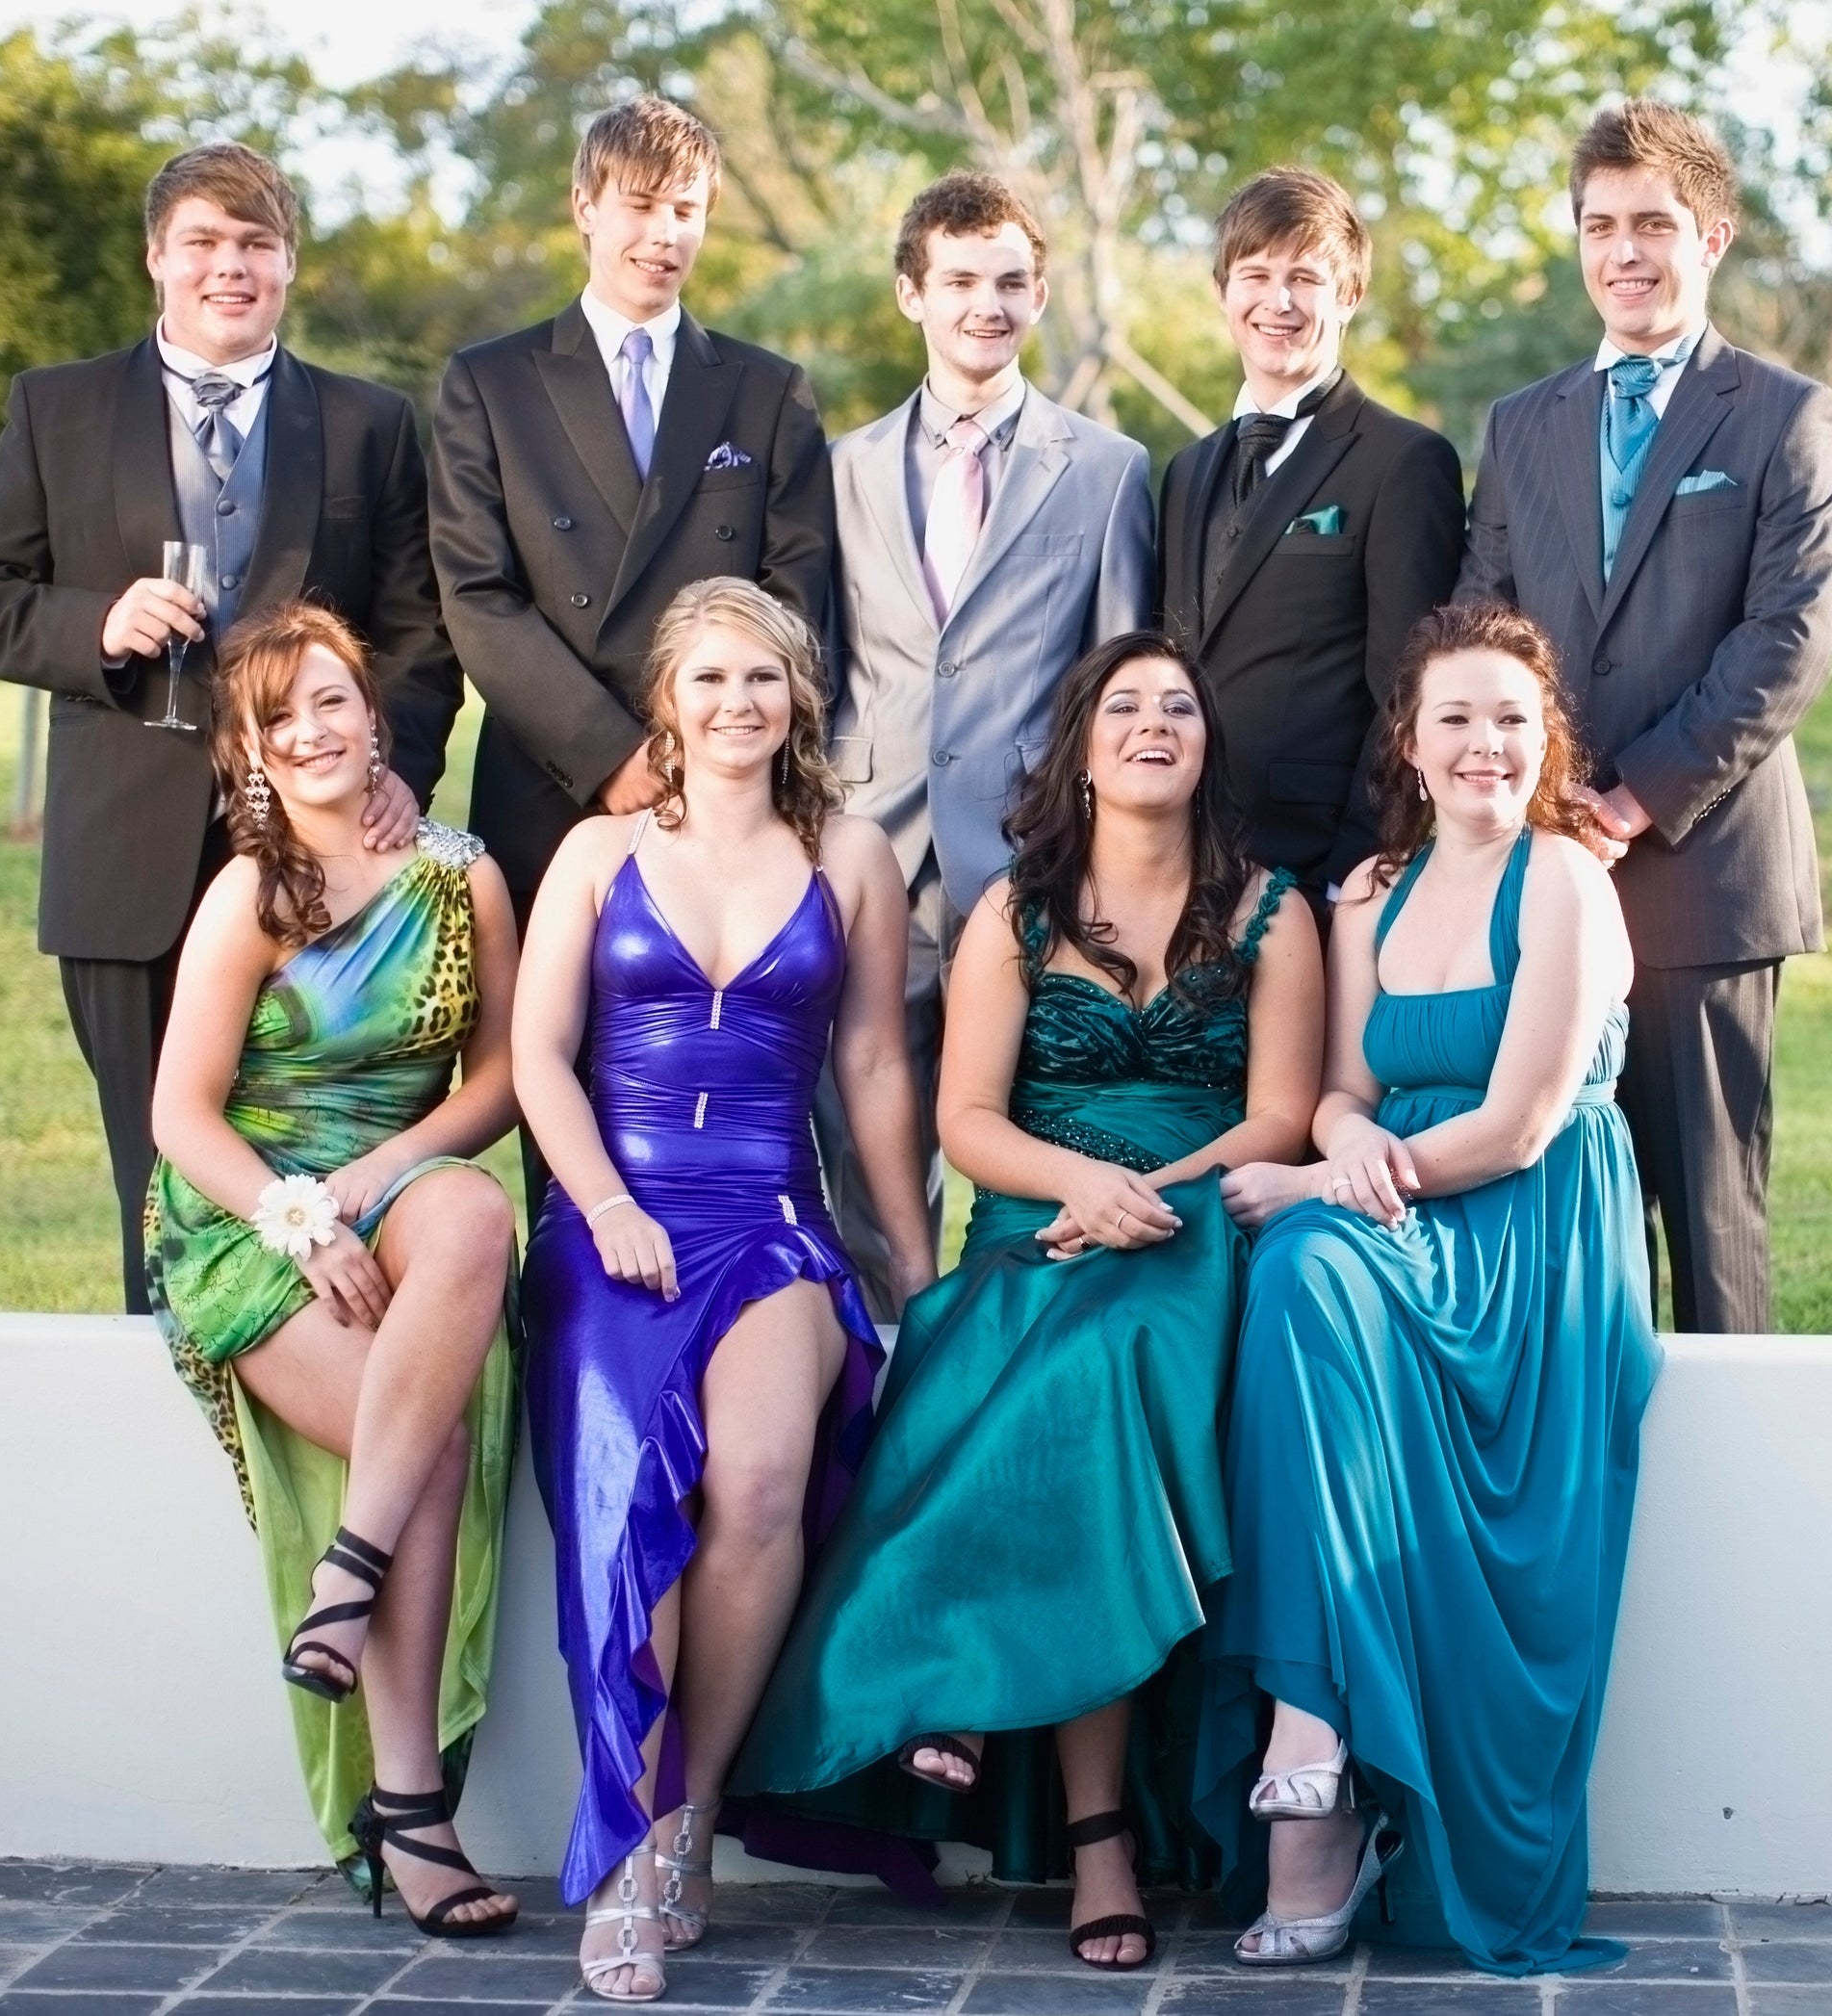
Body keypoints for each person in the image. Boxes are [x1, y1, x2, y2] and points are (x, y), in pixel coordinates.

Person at [733, 633, 1324, 1973]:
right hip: (1037, 1212)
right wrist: (1082, 1186)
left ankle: (984, 1688)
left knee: (1099, 1359)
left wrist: (1144, 1189)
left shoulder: (1276, 911)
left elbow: (1281, 1114)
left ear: (1208, 744)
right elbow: (970, 1117)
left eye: (1180, 705)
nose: (1155, 723)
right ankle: (1087, 1822)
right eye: (1125, 705)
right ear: (1082, 745)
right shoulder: (1015, 907)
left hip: (1189, 1219)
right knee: (1013, 1339)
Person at [1199, 602, 1661, 1976]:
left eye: (1512, 719)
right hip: (1398, 1208)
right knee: (1300, 1282)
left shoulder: (1568, 879)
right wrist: (1337, 1149)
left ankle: (1318, 1780)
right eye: (1456, 717)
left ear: (1545, 739)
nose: (1485, 744)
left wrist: (1314, 1181)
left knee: (1300, 1253)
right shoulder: (1369, 894)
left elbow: (1521, 1125)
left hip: (1531, 1244)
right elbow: (1347, 1089)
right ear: (1408, 738)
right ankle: (1315, 1735)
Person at [0, 142, 460, 1315]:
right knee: (155, 1160)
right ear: (156, 260)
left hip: (317, 857)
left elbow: (420, 631)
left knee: (306, 1132)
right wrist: (96, 621)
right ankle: (166, 1369)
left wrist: (397, 771)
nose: (231, 267)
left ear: (287, 266)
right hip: (121, 856)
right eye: (205, 244)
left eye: (256, 245)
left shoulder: (369, 424)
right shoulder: (57, 408)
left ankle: (333, 1381)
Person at [512, 578, 934, 2003]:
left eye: (763, 680)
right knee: (636, 1497)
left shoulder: (852, 855)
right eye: (709, 681)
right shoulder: (593, 852)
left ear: (799, 698)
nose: (737, 704)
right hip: (614, 1221)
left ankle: (686, 1815)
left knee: (758, 1482)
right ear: (668, 705)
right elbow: (535, 1059)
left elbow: (873, 1065)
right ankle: (626, 1851)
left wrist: (912, 1252)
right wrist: (607, 1204)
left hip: (770, 1220)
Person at [141, 599, 519, 1936]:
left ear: (377, 714)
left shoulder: (460, 875)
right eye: (278, 715)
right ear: (248, 749)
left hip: (398, 1171)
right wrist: (301, 1214)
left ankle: (341, 1576)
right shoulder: (250, 893)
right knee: (409, 1439)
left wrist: (373, 1181)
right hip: (249, 1210)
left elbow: (507, 1079)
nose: (312, 730)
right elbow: (180, 1112)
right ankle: (411, 1805)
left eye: (332, 699)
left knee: (476, 1219)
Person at [1456, 101, 1832, 1334]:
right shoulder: (1524, 424)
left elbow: (1787, 639)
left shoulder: (1782, 414)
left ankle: (1743, 1508)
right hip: (1543, 872)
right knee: (1573, 1219)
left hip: (1701, 870)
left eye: (1653, 225)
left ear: (1712, 233)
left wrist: (1636, 795)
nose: (1623, 251)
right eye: (1598, 225)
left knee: (1711, 1220)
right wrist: (1532, 801)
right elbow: (1482, 624)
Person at [815, 171, 1154, 1315]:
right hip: (876, 854)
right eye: (958, 280)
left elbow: (1118, 681)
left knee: (1034, 1141)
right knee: (873, 1154)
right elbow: (825, 663)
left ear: (1041, 294)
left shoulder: (1107, 471)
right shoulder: (843, 469)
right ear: (911, 293)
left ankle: (1007, 1376)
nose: (985, 304)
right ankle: (888, 1380)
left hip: (1036, 858)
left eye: (1010, 282)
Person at [429, 92, 835, 993]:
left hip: (727, 791)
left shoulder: (768, 392)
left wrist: (706, 750)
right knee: (554, 1075)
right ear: (585, 206)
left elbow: (796, 599)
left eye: (685, 211)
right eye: (641, 206)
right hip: (552, 785)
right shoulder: (490, 384)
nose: (664, 235)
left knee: (724, 1072)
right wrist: (611, 753)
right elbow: (477, 594)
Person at [1156, 168, 1464, 895]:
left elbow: (1408, 689)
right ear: (1222, 292)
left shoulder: (1404, 463)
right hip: (1180, 859)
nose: (1279, 301)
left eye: (1306, 277)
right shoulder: (1185, 471)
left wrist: (1356, 869)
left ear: (1350, 294)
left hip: (1320, 868)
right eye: (1255, 274)